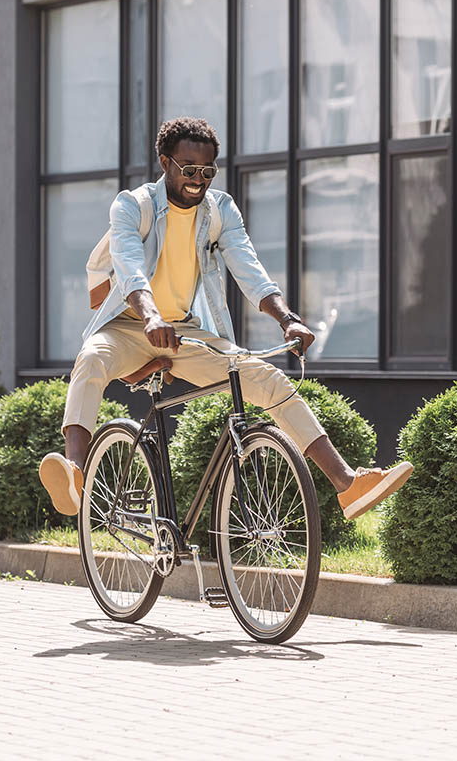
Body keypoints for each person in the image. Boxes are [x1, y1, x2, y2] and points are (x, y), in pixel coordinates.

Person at [39, 116, 412, 521]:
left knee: (267, 379)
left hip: (182, 332)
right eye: (189, 169)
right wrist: (150, 316)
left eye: (207, 170)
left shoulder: (220, 211)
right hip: (130, 324)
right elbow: (129, 266)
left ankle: (347, 484)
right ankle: (74, 473)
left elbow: (248, 268)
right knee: (91, 358)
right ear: (165, 162)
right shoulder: (133, 206)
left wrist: (287, 319)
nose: (198, 179)